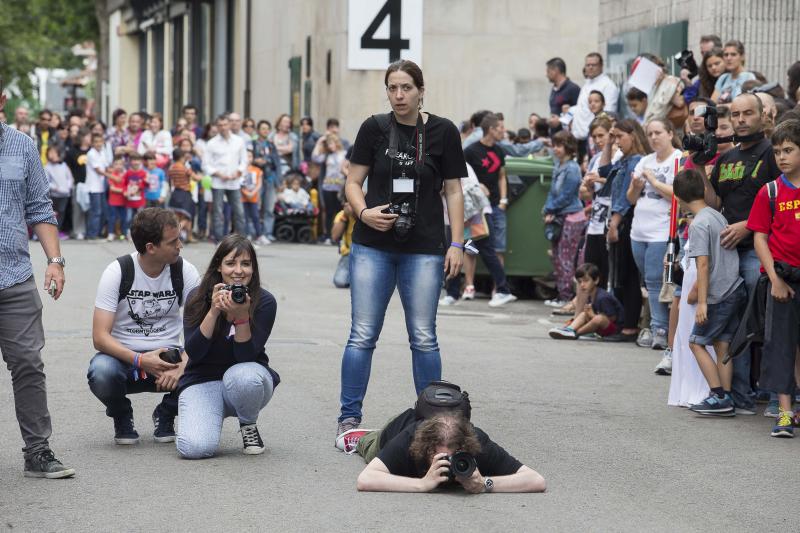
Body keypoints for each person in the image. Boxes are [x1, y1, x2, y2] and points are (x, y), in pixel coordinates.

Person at [337, 59, 466, 438]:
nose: (398, 95)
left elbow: (455, 191)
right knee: (362, 334)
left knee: (424, 336)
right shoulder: (374, 128)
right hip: (372, 245)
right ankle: (349, 419)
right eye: (392, 88)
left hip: (425, 247)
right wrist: (363, 213)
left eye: (406, 88)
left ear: (421, 91)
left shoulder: (443, 131)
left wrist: (456, 243)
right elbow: (352, 181)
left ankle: (434, 421)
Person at [0, 81, 74, 478]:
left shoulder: (23, 146)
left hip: (13, 278)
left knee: (28, 363)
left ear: (2, 101)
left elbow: (39, 207)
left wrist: (55, 260)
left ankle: (37, 450)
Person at [88, 208, 200, 445]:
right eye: (173, 241)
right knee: (102, 372)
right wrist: (140, 360)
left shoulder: (185, 271)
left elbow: (201, 331)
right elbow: (100, 337)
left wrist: (183, 365)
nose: (181, 245)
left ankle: (166, 413)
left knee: (205, 365)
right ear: (151, 247)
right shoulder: (118, 271)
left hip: (169, 357)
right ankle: (121, 415)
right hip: (125, 358)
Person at [702, 92, 781, 414]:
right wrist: (697, 165)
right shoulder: (727, 158)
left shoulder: (773, 154)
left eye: (748, 113)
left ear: (762, 116)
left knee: (768, 325)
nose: (741, 120)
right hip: (727, 254)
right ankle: (742, 397)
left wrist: (748, 225)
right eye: (735, 115)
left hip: (759, 251)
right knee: (734, 327)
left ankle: (779, 398)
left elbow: (785, 199)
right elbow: (713, 203)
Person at [176, 235, 278, 457]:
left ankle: (248, 423)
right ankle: (202, 413)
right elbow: (194, 352)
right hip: (203, 381)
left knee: (244, 376)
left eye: (246, 264)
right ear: (219, 267)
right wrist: (213, 311)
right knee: (194, 449)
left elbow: (245, 358)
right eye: (231, 263)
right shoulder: (198, 297)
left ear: (254, 268)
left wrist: (241, 318)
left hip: (246, 381)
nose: (239, 271)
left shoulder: (264, 302)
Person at [671, 169, 746, 416]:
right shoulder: (717, 216)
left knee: (696, 342)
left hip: (717, 295)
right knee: (722, 344)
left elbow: (703, 264)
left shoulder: (699, 224)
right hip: (734, 287)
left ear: (678, 198)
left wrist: (701, 302)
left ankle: (718, 395)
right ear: (704, 190)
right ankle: (727, 397)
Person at [746, 119, 800, 436]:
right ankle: (783, 413)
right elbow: (759, 238)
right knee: (781, 345)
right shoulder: (771, 191)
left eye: (789, 150)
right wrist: (775, 280)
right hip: (783, 280)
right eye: (778, 151)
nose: (782, 157)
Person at [354, 412, 545, 493]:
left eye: (453, 457)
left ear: (466, 448)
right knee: (366, 446)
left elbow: (536, 480)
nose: (448, 463)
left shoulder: (479, 445)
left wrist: (485, 484)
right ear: (426, 450)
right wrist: (422, 484)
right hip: (393, 430)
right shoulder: (408, 441)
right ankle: (358, 435)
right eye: (440, 457)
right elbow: (365, 479)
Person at [626, 119, 682, 350]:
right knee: (648, 280)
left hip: (662, 230)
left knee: (656, 278)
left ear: (670, 133)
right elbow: (630, 198)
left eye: (658, 132)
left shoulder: (678, 159)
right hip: (639, 229)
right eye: (649, 133)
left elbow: (677, 195)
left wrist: (652, 180)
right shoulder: (644, 161)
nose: (653, 137)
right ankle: (652, 325)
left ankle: (659, 328)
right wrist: (637, 186)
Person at [603, 119, 649, 342]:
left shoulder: (637, 161)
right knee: (620, 273)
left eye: (620, 136)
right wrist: (607, 144)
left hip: (627, 219)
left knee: (628, 274)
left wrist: (615, 222)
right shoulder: (623, 159)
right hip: (620, 217)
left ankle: (629, 325)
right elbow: (604, 173)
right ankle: (624, 323)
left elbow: (625, 197)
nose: (616, 141)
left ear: (633, 135)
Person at [543, 130, 585, 307]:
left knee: (566, 257)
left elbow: (567, 195)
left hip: (572, 216)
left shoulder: (572, 168)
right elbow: (553, 192)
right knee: (558, 257)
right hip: (559, 215)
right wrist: (548, 209)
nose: (556, 149)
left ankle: (566, 296)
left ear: (568, 147)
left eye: (559, 145)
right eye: (554, 145)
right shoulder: (559, 165)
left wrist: (549, 209)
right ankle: (562, 294)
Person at [581, 116, 616, 288]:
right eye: (594, 137)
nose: (598, 140)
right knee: (590, 269)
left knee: (607, 271)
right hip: (595, 221)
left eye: (601, 135)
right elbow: (585, 193)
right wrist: (587, 186)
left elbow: (619, 183)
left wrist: (601, 180)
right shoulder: (595, 158)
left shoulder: (620, 155)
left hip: (611, 220)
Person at [549, 263, 623, 339]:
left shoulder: (602, 297)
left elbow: (613, 318)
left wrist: (593, 315)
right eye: (580, 282)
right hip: (601, 327)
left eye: (586, 281)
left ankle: (576, 333)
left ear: (596, 280)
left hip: (615, 330)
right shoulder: (590, 294)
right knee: (584, 314)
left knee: (598, 318)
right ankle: (569, 329)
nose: (582, 284)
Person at [203, 114, 247, 241]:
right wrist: (218, 173)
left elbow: (244, 161)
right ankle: (219, 240)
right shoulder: (212, 143)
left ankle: (243, 241)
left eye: (225, 124)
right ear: (216, 127)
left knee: (239, 212)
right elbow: (205, 165)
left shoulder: (239, 141)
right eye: (220, 125)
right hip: (218, 182)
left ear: (229, 125)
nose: (223, 128)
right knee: (217, 212)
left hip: (234, 182)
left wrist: (238, 172)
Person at [571, 53, 620, 160]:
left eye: (594, 65)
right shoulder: (587, 84)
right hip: (581, 139)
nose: (590, 67)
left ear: (601, 66)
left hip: (596, 140)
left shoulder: (608, 85)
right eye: (588, 65)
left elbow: (607, 117)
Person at [314, 133, 348, 241]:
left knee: (340, 211)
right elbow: (315, 157)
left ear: (336, 143)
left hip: (340, 187)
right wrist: (320, 142)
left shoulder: (344, 153)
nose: (330, 146)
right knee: (329, 212)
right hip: (328, 187)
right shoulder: (327, 155)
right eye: (328, 144)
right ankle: (328, 236)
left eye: (331, 143)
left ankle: (339, 235)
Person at [546, 57, 581, 135]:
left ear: (556, 71)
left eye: (548, 71)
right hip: (555, 135)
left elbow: (580, 112)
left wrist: (561, 120)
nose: (546, 75)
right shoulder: (554, 89)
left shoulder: (573, 89)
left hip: (568, 138)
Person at [44, 145, 74, 235]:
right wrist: (55, 188)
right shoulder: (47, 167)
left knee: (61, 213)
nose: (52, 155)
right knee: (52, 213)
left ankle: (58, 231)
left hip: (64, 194)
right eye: (50, 153)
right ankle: (49, 232)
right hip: (54, 195)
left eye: (54, 152)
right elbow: (46, 182)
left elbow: (70, 178)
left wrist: (68, 186)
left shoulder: (64, 165)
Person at [332, 191, 356, 288]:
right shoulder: (342, 215)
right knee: (340, 281)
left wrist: (356, 214)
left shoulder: (367, 213)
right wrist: (345, 216)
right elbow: (335, 236)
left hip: (366, 252)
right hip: (349, 253)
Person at [241, 149, 263, 240]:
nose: (248, 158)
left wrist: (253, 193)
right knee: (244, 216)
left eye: (250, 156)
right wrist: (246, 193)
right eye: (246, 156)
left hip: (254, 197)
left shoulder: (257, 170)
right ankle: (247, 234)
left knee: (255, 216)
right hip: (243, 198)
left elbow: (259, 184)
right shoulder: (241, 170)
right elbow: (239, 184)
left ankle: (259, 235)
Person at [124, 153, 147, 229]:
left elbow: (146, 184)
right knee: (128, 218)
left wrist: (138, 187)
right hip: (129, 201)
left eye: (138, 160)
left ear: (141, 161)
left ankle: (139, 234)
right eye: (134, 160)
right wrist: (125, 192)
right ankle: (128, 232)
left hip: (140, 200)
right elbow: (124, 184)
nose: (136, 162)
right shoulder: (127, 173)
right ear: (130, 161)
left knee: (140, 218)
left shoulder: (144, 173)